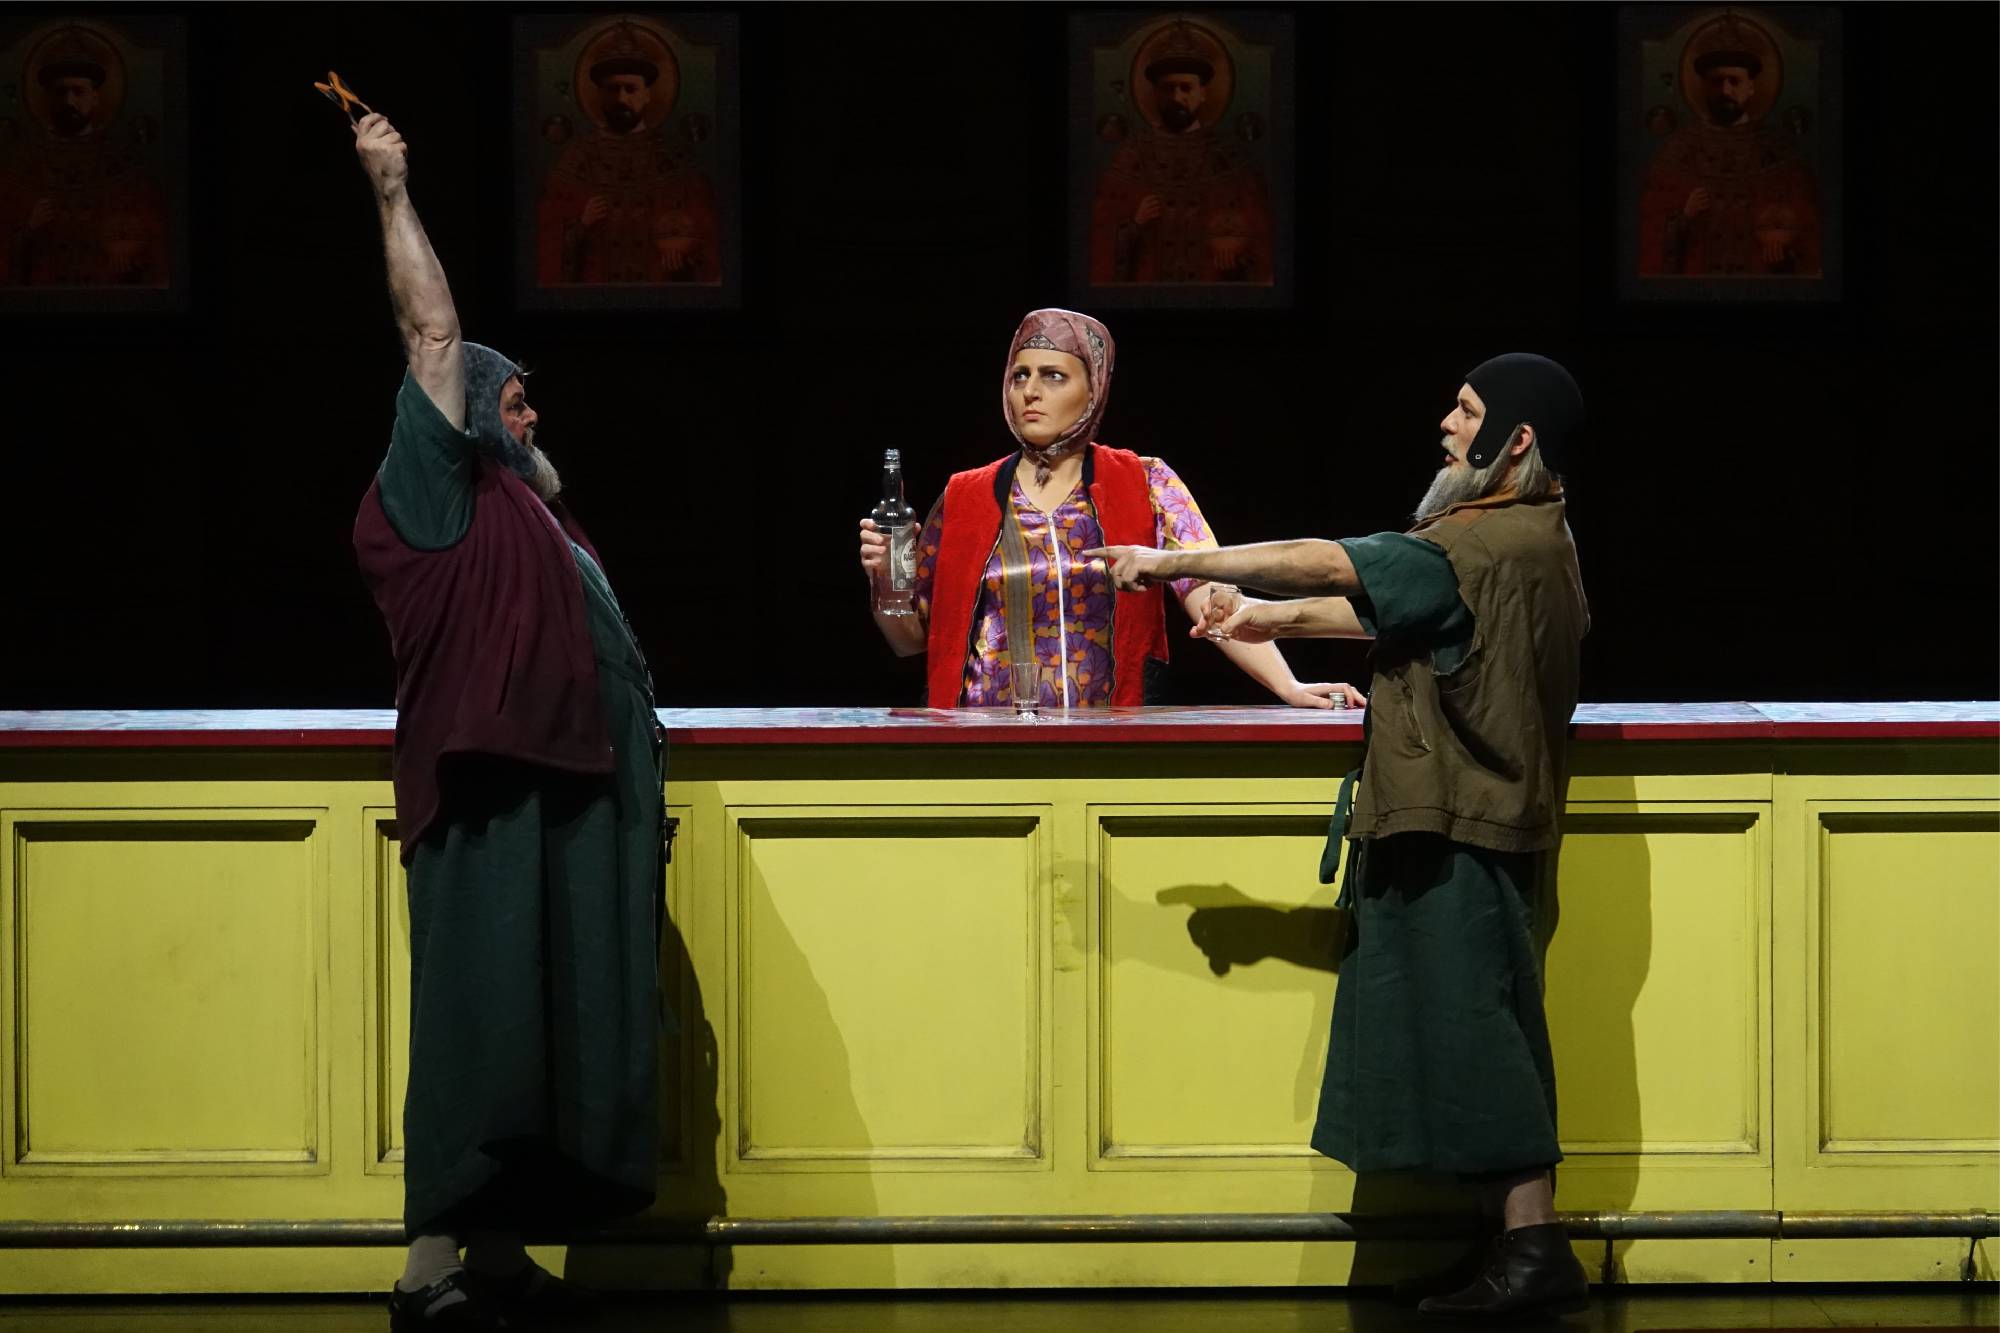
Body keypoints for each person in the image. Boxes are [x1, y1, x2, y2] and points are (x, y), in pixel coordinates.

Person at [1089, 354, 1593, 1319]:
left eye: (1468, 411)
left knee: (1480, 1033)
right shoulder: (1535, 535)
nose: (1448, 424)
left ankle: (1536, 1247)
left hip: (1463, 820)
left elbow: (1329, 561)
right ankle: (1505, 1243)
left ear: (1514, 439)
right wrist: (1263, 618)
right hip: (1475, 814)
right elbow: (1383, 604)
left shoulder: (1477, 541)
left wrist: (1171, 562)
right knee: (1463, 1025)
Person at [348, 110, 665, 1330]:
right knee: (481, 1020)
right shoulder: (435, 487)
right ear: (468, 412)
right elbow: (432, 332)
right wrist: (391, 189)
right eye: (516, 405)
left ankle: (495, 1248)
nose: (532, 421)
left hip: (571, 793)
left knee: (550, 1033)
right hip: (489, 795)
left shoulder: (536, 514)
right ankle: (427, 1263)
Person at [859, 307, 1356, 711]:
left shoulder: (1144, 480)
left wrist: (1288, 685)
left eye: (1054, 376)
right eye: (1019, 375)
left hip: (1109, 740)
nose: (1030, 391)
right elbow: (910, 640)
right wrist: (885, 580)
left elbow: (1210, 599)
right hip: (982, 741)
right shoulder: (966, 495)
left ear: (1093, 389)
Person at [535, 20, 718, 286]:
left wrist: (684, 252)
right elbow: (543, 239)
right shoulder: (577, 157)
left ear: (647, 94)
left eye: (631, 89)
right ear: (600, 94)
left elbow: (710, 238)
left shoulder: (676, 158)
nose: (621, 99)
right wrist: (580, 225)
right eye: (612, 89)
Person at [1088, 21, 1272, 284]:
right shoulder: (1132, 154)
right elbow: (1098, 237)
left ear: (1202, 93)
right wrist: (1135, 224)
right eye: (1168, 88)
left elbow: (1262, 238)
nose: (1176, 97)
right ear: (1155, 93)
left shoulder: (1229, 157)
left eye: (1186, 88)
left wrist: (1236, 250)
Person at [1636, 17, 1821, 277]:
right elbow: (1647, 233)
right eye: (1717, 81)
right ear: (1703, 86)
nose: (1725, 90)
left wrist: (1784, 255)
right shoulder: (1677, 149)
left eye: (1734, 81)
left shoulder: (1780, 151)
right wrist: (1683, 218)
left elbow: (1809, 232)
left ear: (1751, 87)